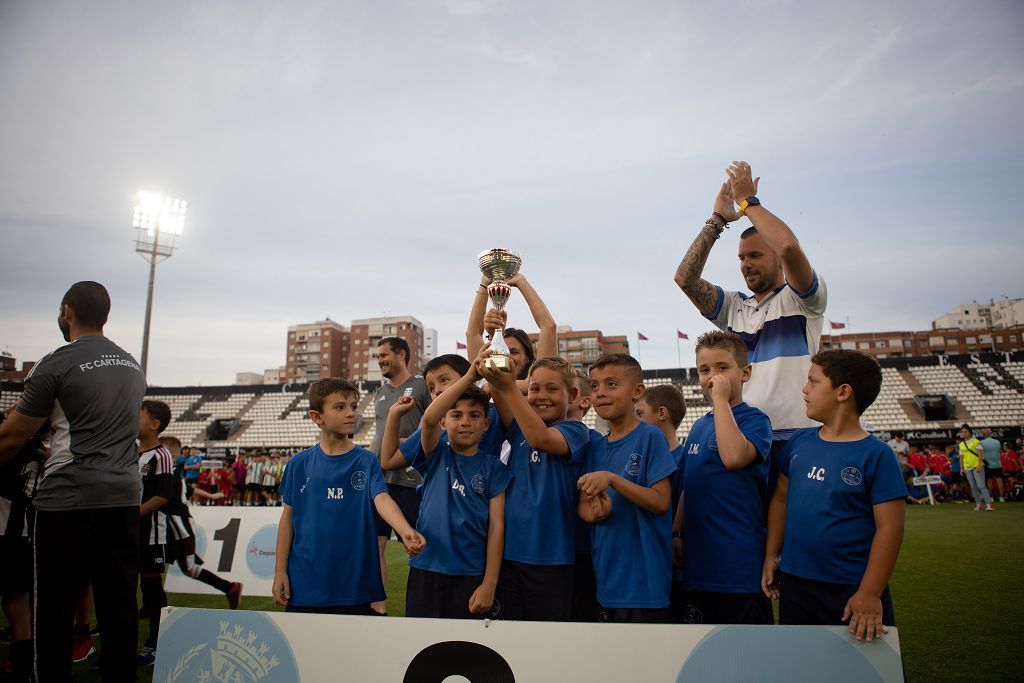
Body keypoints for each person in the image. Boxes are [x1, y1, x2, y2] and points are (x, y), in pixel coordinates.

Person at [0, 281, 146, 682]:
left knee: (53, 603)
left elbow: (12, 436)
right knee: (118, 602)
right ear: (106, 315)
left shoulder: (57, 362)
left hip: (68, 497)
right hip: (121, 497)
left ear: (67, 311)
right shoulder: (133, 365)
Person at [673, 161, 825, 500]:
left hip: (796, 440)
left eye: (755, 255)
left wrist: (748, 204)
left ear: (777, 260)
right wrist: (717, 220)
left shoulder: (803, 299)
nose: (746, 264)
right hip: (743, 440)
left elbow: (788, 247)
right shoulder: (734, 306)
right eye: (742, 257)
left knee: (789, 544)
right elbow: (685, 279)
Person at [763, 350, 906, 642]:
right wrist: (771, 554)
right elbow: (780, 497)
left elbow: (890, 528)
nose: (804, 389)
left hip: (850, 587)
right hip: (795, 582)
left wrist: (869, 593)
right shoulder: (800, 441)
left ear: (843, 392)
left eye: (813, 382)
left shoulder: (877, 455)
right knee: (802, 665)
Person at [272, 379, 425, 614]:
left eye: (353, 407)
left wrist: (405, 530)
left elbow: (382, 499)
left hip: (354, 584)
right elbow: (287, 519)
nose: (351, 413)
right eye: (340, 407)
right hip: (305, 584)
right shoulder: (298, 464)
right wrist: (280, 571)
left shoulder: (366, 460)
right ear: (316, 417)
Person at [478, 354, 590, 621]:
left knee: (548, 643)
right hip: (509, 557)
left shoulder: (575, 431)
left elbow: (541, 438)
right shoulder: (518, 426)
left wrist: (509, 386)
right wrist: (494, 338)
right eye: (535, 388)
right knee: (511, 642)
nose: (541, 396)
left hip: (552, 561)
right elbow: (496, 386)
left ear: (573, 395)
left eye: (552, 389)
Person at [672, 331, 773, 624]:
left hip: (737, 566)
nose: (712, 376)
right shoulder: (699, 427)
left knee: (747, 657)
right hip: (698, 564)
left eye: (722, 368)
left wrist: (720, 401)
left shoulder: (755, 420)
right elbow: (688, 486)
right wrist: (677, 532)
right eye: (705, 370)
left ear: (745, 373)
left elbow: (733, 457)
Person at [402, 369, 510, 619]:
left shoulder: (494, 468)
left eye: (474, 416)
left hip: (470, 573)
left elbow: (496, 527)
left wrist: (489, 584)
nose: (464, 422)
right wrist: (471, 376)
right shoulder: (436, 454)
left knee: (465, 652)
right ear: (444, 422)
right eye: (456, 415)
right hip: (426, 568)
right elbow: (428, 419)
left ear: (486, 424)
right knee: (421, 647)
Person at [579, 354, 676, 623]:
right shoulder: (594, 446)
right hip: (606, 581)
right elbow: (585, 510)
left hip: (644, 584)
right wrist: (597, 511)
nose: (600, 393)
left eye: (611, 385)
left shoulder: (649, 437)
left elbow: (660, 502)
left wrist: (613, 480)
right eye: (595, 386)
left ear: (637, 391)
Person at [369, 336, 431, 614]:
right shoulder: (379, 393)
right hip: (382, 483)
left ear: (401, 355)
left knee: (419, 546)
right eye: (377, 356)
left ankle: (423, 607)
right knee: (375, 545)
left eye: (384, 355)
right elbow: (379, 435)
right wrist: (367, 462)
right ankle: (378, 609)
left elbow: (434, 423)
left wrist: (410, 442)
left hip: (413, 482)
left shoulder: (420, 385)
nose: (380, 360)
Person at [634, 383, 687, 622]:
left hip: (673, 561)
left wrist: (676, 534)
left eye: (640, 414)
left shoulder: (684, 458)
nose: (636, 421)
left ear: (662, 414)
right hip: (645, 561)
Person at [466, 272, 557, 381]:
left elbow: (548, 327)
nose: (507, 356)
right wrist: (485, 283)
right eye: (501, 351)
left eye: (514, 352)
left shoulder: (536, 385)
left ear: (527, 358)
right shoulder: (483, 376)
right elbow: (473, 333)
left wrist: (521, 281)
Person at [567, 369, 600, 623]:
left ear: (583, 399)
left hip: (584, 548)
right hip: (550, 552)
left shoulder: (596, 442)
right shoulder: (530, 437)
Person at [958, 425, 994, 511]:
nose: (964, 433)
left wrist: (979, 464)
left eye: (965, 431)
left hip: (977, 466)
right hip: (967, 467)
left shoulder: (976, 441)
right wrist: (961, 468)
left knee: (981, 486)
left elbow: (980, 454)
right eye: (962, 432)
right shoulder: (961, 444)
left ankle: (989, 505)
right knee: (973, 486)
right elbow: (961, 457)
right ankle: (979, 504)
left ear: (970, 432)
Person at [978, 428, 1004, 502]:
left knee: (989, 481)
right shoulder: (997, 442)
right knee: (999, 480)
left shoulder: (981, 442)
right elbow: (1001, 452)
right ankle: (1001, 497)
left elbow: (979, 453)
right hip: (997, 464)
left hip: (988, 465)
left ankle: (991, 497)